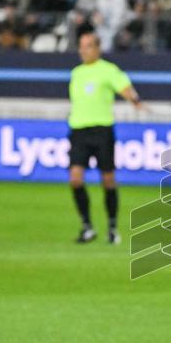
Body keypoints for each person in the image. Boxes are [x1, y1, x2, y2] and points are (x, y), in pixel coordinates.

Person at [67, 31, 142, 244]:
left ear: (98, 49)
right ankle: (87, 226)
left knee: (108, 179)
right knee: (75, 178)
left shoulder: (108, 70)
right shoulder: (76, 73)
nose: (83, 50)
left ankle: (112, 226)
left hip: (102, 130)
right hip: (79, 130)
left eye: (88, 46)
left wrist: (134, 100)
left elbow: (124, 87)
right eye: (81, 46)